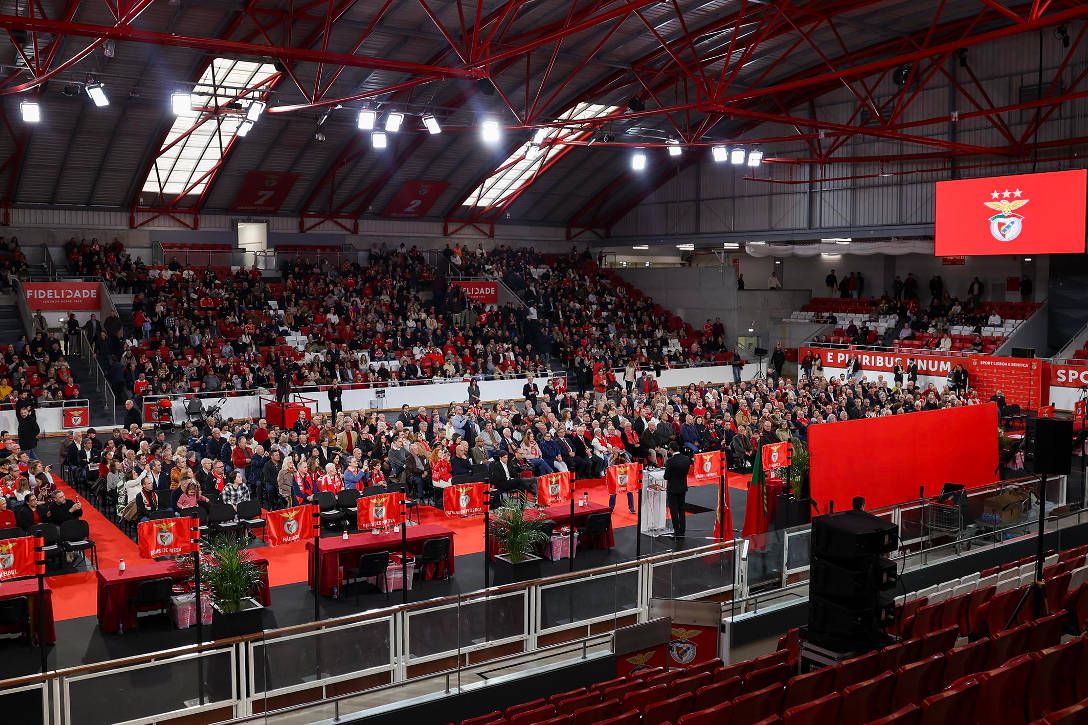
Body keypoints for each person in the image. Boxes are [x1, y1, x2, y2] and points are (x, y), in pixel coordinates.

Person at [663, 444, 692, 540]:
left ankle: (677, 531)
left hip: (673, 489)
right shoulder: (686, 459)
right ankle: (682, 530)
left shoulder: (670, 461)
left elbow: (666, 476)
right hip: (682, 487)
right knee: (681, 509)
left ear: (671, 450)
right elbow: (687, 472)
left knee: (674, 511)